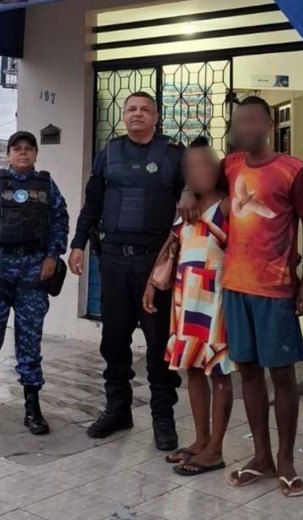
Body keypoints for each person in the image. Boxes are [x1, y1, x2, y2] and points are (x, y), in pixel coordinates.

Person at [181, 96, 303, 498]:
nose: (244, 126)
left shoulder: (292, 169)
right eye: (238, 120)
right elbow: (202, 180)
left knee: (283, 375)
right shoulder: (231, 164)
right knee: (249, 372)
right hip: (234, 287)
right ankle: (261, 456)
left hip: (274, 288)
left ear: (269, 123)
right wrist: (188, 191)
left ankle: (287, 459)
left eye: (252, 119)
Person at [68, 92, 185, 451]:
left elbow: (191, 203)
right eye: (131, 109)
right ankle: (118, 409)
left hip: (156, 262)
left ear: (156, 116)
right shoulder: (109, 154)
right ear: (123, 115)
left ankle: (162, 417)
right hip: (115, 261)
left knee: (158, 345)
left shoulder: (173, 154)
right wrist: (77, 244)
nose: (138, 115)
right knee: (114, 340)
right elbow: (93, 204)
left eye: (145, 110)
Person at [0, 131, 69, 439]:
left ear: (35, 154)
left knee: (29, 343)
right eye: (17, 149)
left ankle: (32, 410)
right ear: (8, 154)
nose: (23, 154)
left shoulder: (46, 186)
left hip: (34, 272)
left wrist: (52, 255)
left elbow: (60, 219)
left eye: (28, 149)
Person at [142, 137, 234, 476]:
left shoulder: (226, 207)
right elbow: (172, 243)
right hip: (186, 302)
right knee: (193, 370)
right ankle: (200, 439)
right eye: (192, 167)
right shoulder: (186, 209)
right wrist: (153, 282)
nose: (200, 171)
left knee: (219, 374)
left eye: (207, 164)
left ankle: (216, 449)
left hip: (216, 303)